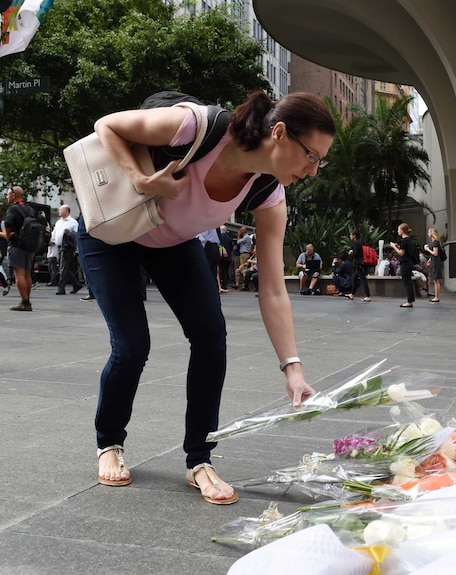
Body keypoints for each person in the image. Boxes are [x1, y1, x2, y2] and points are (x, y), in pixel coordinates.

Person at [77, 90, 334, 502]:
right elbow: (107, 124)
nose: (314, 169)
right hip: (113, 234)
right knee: (131, 345)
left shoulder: (268, 194)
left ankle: (200, 459)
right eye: (312, 156)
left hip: (172, 243)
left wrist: (293, 368)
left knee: (211, 336)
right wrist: (142, 179)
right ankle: (109, 442)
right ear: (281, 133)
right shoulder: (199, 126)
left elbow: (272, 289)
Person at [1, 186, 39, 311]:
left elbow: (8, 223)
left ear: (13, 195)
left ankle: (25, 302)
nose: (7, 197)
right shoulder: (30, 209)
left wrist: (7, 235)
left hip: (17, 244)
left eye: (7, 194)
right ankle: (27, 300)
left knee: (19, 274)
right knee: (27, 274)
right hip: (30, 245)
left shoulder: (13, 209)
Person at [53, 205, 83, 295]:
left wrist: (68, 233)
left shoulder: (73, 222)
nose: (58, 211)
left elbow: (77, 236)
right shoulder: (58, 222)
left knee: (63, 268)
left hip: (67, 248)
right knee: (65, 268)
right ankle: (76, 284)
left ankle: (61, 288)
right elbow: (54, 232)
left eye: (60, 210)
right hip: (59, 247)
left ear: (66, 211)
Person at [391, 223, 417, 308]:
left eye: (398, 229)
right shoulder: (408, 240)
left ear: (402, 231)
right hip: (409, 262)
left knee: (407, 282)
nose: (398, 231)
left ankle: (409, 301)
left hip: (405, 263)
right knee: (408, 281)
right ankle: (410, 300)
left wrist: (394, 247)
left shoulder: (404, 240)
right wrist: (398, 246)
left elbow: (401, 253)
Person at [196, 228, 224, 293]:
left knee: (206, 270)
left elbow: (202, 238)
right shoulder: (213, 224)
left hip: (208, 247)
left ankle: (206, 291)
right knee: (213, 272)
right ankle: (213, 291)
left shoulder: (205, 223)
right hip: (214, 247)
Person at [349, 230, 371, 302]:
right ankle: (352, 293)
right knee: (355, 277)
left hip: (358, 263)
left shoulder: (356, 243)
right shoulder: (362, 242)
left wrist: (351, 253)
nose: (350, 236)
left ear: (354, 236)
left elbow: (356, 254)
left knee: (363, 279)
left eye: (351, 235)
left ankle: (368, 296)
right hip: (363, 263)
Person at [424, 226, 443, 303]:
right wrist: (430, 260)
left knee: (436, 280)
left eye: (429, 232)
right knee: (435, 280)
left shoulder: (435, 242)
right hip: (434, 261)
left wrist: (427, 249)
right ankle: (436, 296)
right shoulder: (435, 242)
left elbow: (435, 253)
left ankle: (437, 297)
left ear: (432, 233)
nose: (428, 233)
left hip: (436, 262)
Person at [218, 225, 233, 291]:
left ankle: (219, 284)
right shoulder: (229, 238)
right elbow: (231, 247)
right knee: (225, 270)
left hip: (220, 256)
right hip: (228, 257)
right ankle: (225, 284)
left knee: (219, 270)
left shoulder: (219, 237)